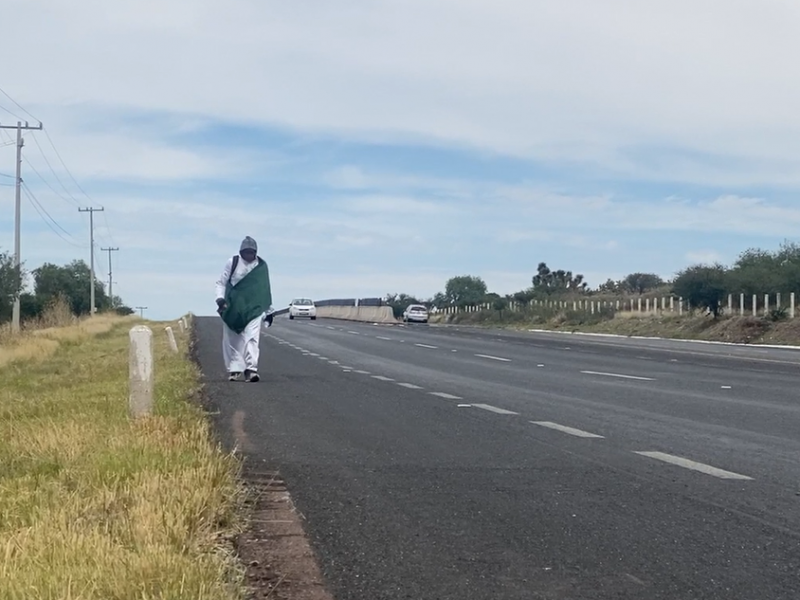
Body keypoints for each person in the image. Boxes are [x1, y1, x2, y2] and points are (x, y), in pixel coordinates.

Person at [215, 236, 273, 382]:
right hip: (233, 307)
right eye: (246, 252)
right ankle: (234, 369)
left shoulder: (260, 266)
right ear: (241, 252)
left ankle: (251, 369)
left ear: (255, 252)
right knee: (232, 339)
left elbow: (264, 290)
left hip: (254, 308)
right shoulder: (232, 263)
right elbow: (221, 282)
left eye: (251, 252)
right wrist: (220, 299)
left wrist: (269, 311)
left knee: (252, 338)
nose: (248, 255)